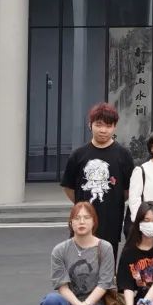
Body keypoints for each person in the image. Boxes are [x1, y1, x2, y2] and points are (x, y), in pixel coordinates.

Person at [38, 203, 116, 305]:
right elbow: (62, 286)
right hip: (70, 303)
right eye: (77, 218)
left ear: (94, 222)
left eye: (86, 217)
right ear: (71, 222)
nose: (81, 222)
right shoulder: (60, 250)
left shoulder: (105, 248)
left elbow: (104, 283)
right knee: (50, 301)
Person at [61, 103, 134, 256]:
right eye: (98, 125)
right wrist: (82, 203)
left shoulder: (124, 155)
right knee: (80, 262)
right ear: (90, 125)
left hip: (111, 221)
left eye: (108, 126)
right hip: (83, 221)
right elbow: (69, 187)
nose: (103, 130)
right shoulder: (78, 155)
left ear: (114, 127)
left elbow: (128, 190)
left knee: (107, 262)